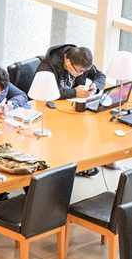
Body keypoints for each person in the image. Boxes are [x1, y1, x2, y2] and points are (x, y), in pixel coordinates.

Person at [35, 44, 107, 176]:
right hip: (50, 112)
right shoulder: (48, 66)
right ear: (67, 61)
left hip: (70, 107)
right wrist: (74, 92)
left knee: (84, 131)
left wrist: (95, 86)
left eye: (84, 71)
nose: (81, 74)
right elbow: (46, 91)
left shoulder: (80, 60)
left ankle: (80, 163)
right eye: (79, 71)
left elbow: (100, 75)